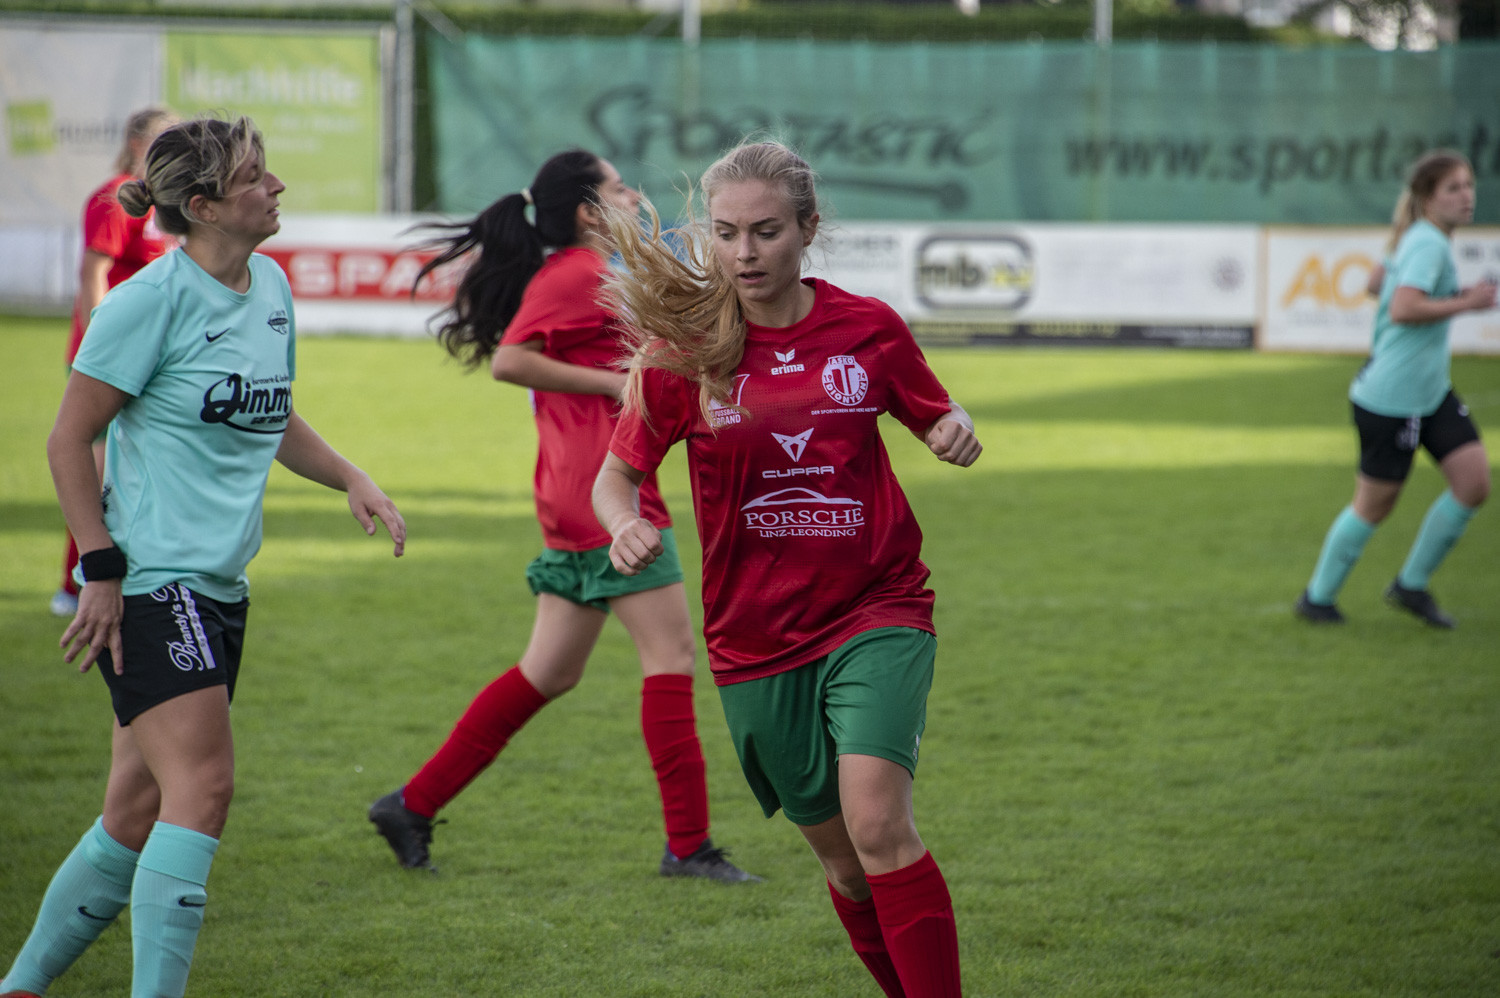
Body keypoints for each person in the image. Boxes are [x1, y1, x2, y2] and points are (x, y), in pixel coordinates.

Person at [2, 115, 406, 998]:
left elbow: (269, 409)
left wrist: (350, 476)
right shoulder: (146, 302)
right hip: (156, 582)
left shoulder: (270, 286)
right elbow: (68, 440)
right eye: (256, 177)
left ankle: (20, 985)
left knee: (133, 813)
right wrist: (100, 569)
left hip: (221, 585)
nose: (277, 187)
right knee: (205, 789)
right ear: (204, 206)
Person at [593, 140, 981, 997]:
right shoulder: (683, 351)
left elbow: (935, 413)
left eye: (766, 231)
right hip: (755, 639)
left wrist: (952, 428)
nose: (745, 252)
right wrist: (624, 524)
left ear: (808, 228)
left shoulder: (868, 328)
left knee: (879, 826)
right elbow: (615, 478)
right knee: (845, 866)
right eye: (727, 232)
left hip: (877, 608)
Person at [366, 149, 758, 884]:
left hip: (574, 492)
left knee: (547, 672)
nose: (633, 195)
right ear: (586, 211)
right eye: (618, 187)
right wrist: (613, 383)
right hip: (607, 496)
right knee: (671, 657)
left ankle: (410, 805)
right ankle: (689, 847)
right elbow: (510, 360)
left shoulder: (592, 273)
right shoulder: (577, 273)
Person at [1296, 149, 1496, 628]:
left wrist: (1446, 295)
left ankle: (1411, 586)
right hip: (1393, 399)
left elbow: (1374, 283)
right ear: (1428, 198)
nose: (1466, 196)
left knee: (1473, 483)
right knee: (1373, 506)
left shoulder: (1418, 237)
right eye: (1453, 188)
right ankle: (1317, 599)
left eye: (1469, 185)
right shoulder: (1427, 244)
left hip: (1430, 392)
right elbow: (1403, 308)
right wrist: (1465, 303)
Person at [51, 106, 178, 619]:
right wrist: (100, 348)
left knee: (130, 477)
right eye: (167, 140)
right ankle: (74, 583)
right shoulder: (116, 197)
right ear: (138, 143)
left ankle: (133, 583)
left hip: (146, 360)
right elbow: (93, 274)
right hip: (108, 360)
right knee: (98, 475)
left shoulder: (162, 203)